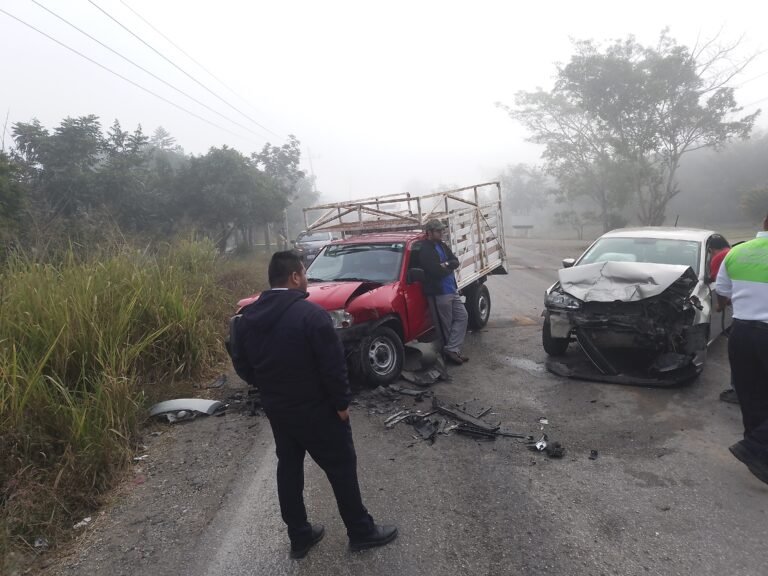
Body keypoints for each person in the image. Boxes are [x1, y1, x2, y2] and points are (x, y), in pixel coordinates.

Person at [230, 251, 397, 558]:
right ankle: (361, 531)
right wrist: (341, 403)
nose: (306, 278)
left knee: (289, 469)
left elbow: (242, 363)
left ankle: (300, 536)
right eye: (304, 273)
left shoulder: (246, 318)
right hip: (317, 409)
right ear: (294, 277)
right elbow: (333, 366)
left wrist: (269, 387)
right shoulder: (311, 315)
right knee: (341, 466)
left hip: (278, 409)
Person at [714, 212, 768, 486]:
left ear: (764, 223)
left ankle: (759, 455)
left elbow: (722, 292)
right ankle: (755, 448)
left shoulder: (737, 252)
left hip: (741, 333)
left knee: (751, 396)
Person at [420, 219, 469, 365]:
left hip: (451, 289)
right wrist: (447, 267)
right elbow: (436, 271)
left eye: (442, 230)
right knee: (445, 326)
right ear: (429, 232)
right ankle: (451, 353)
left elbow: (455, 261)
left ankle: (452, 349)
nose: (441, 233)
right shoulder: (425, 249)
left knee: (463, 317)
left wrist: (446, 264)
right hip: (440, 293)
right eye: (438, 231)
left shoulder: (441, 245)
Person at [707, 235, 737, 404]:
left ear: (711, 250)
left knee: (739, 354)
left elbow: (716, 282)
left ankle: (738, 392)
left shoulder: (719, 257)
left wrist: (720, 305)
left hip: (740, 311)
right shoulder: (732, 252)